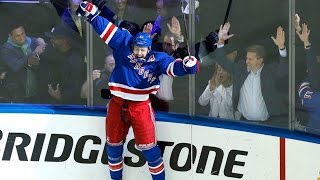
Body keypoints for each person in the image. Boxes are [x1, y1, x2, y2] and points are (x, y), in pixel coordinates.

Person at [77, 2, 198, 180]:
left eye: (142, 50)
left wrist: (188, 67)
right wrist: (92, 14)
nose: (139, 53)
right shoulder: (124, 42)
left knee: (149, 149)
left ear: (149, 48)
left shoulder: (158, 59)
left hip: (140, 106)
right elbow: (107, 29)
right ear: (133, 44)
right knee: (113, 146)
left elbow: (173, 68)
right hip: (117, 103)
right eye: (136, 49)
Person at [209, 22, 288, 126]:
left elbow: (284, 69)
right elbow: (223, 61)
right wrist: (221, 41)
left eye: (250, 59)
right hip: (243, 122)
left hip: (267, 124)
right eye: (246, 58)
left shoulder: (269, 72)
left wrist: (281, 48)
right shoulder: (240, 70)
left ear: (260, 60)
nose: (247, 61)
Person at [0, 22, 45, 103]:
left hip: (36, 91)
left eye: (23, 33)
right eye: (17, 36)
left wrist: (42, 43)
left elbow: (42, 46)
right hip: (17, 94)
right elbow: (16, 65)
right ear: (10, 35)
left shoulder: (33, 41)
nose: (22, 38)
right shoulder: (6, 49)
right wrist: (34, 53)